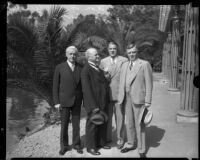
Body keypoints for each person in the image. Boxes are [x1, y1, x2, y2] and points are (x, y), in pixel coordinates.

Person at [118, 43, 153, 158]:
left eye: (133, 52)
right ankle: (130, 144)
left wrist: (148, 100)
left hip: (139, 98)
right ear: (127, 53)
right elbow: (121, 82)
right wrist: (120, 97)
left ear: (137, 52)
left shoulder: (144, 64)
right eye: (129, 52)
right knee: (129, 123)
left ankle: (141, 149)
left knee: (140, 124)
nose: (131, 54)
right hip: (126, 98)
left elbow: (149, 83)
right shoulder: (124, 65)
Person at [53, 46, 83, 155]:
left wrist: (85, 100)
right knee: (64, 125)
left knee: (76, 124)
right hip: (64, 101)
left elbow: (83, 86)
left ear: (77, 55)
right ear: (66, 54)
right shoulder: (59, 67)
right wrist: (56, 102)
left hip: (77, 101)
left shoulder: (81, 67)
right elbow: (55, 86)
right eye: (70, 54)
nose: (72, 56)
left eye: (74, 54)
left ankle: (77, 144)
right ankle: (64, 146)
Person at [81, 47, 111, 156]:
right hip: (93, 103)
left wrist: (106, 77)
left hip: (102, 101)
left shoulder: (98, 68)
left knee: (102, 122)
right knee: (92, 125)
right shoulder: (86, 70)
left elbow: (103, 84)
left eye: (98, 54)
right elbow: (86, 90)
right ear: (89, 57)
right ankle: (91, 147)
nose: (98, 56)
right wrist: (93, 106)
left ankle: (101, 143)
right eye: (95, 55)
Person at [100, 41, 128, 149]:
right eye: (110, 49)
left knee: (120, 118)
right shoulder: (103, 61)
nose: (112, 50)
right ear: (108, 49)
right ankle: (107, 138)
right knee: (107, 118)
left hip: (119, 95)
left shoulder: (124, 60)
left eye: (114, 49)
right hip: (107, 95)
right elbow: (100, 78)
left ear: (117, 50)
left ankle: (120, 139)